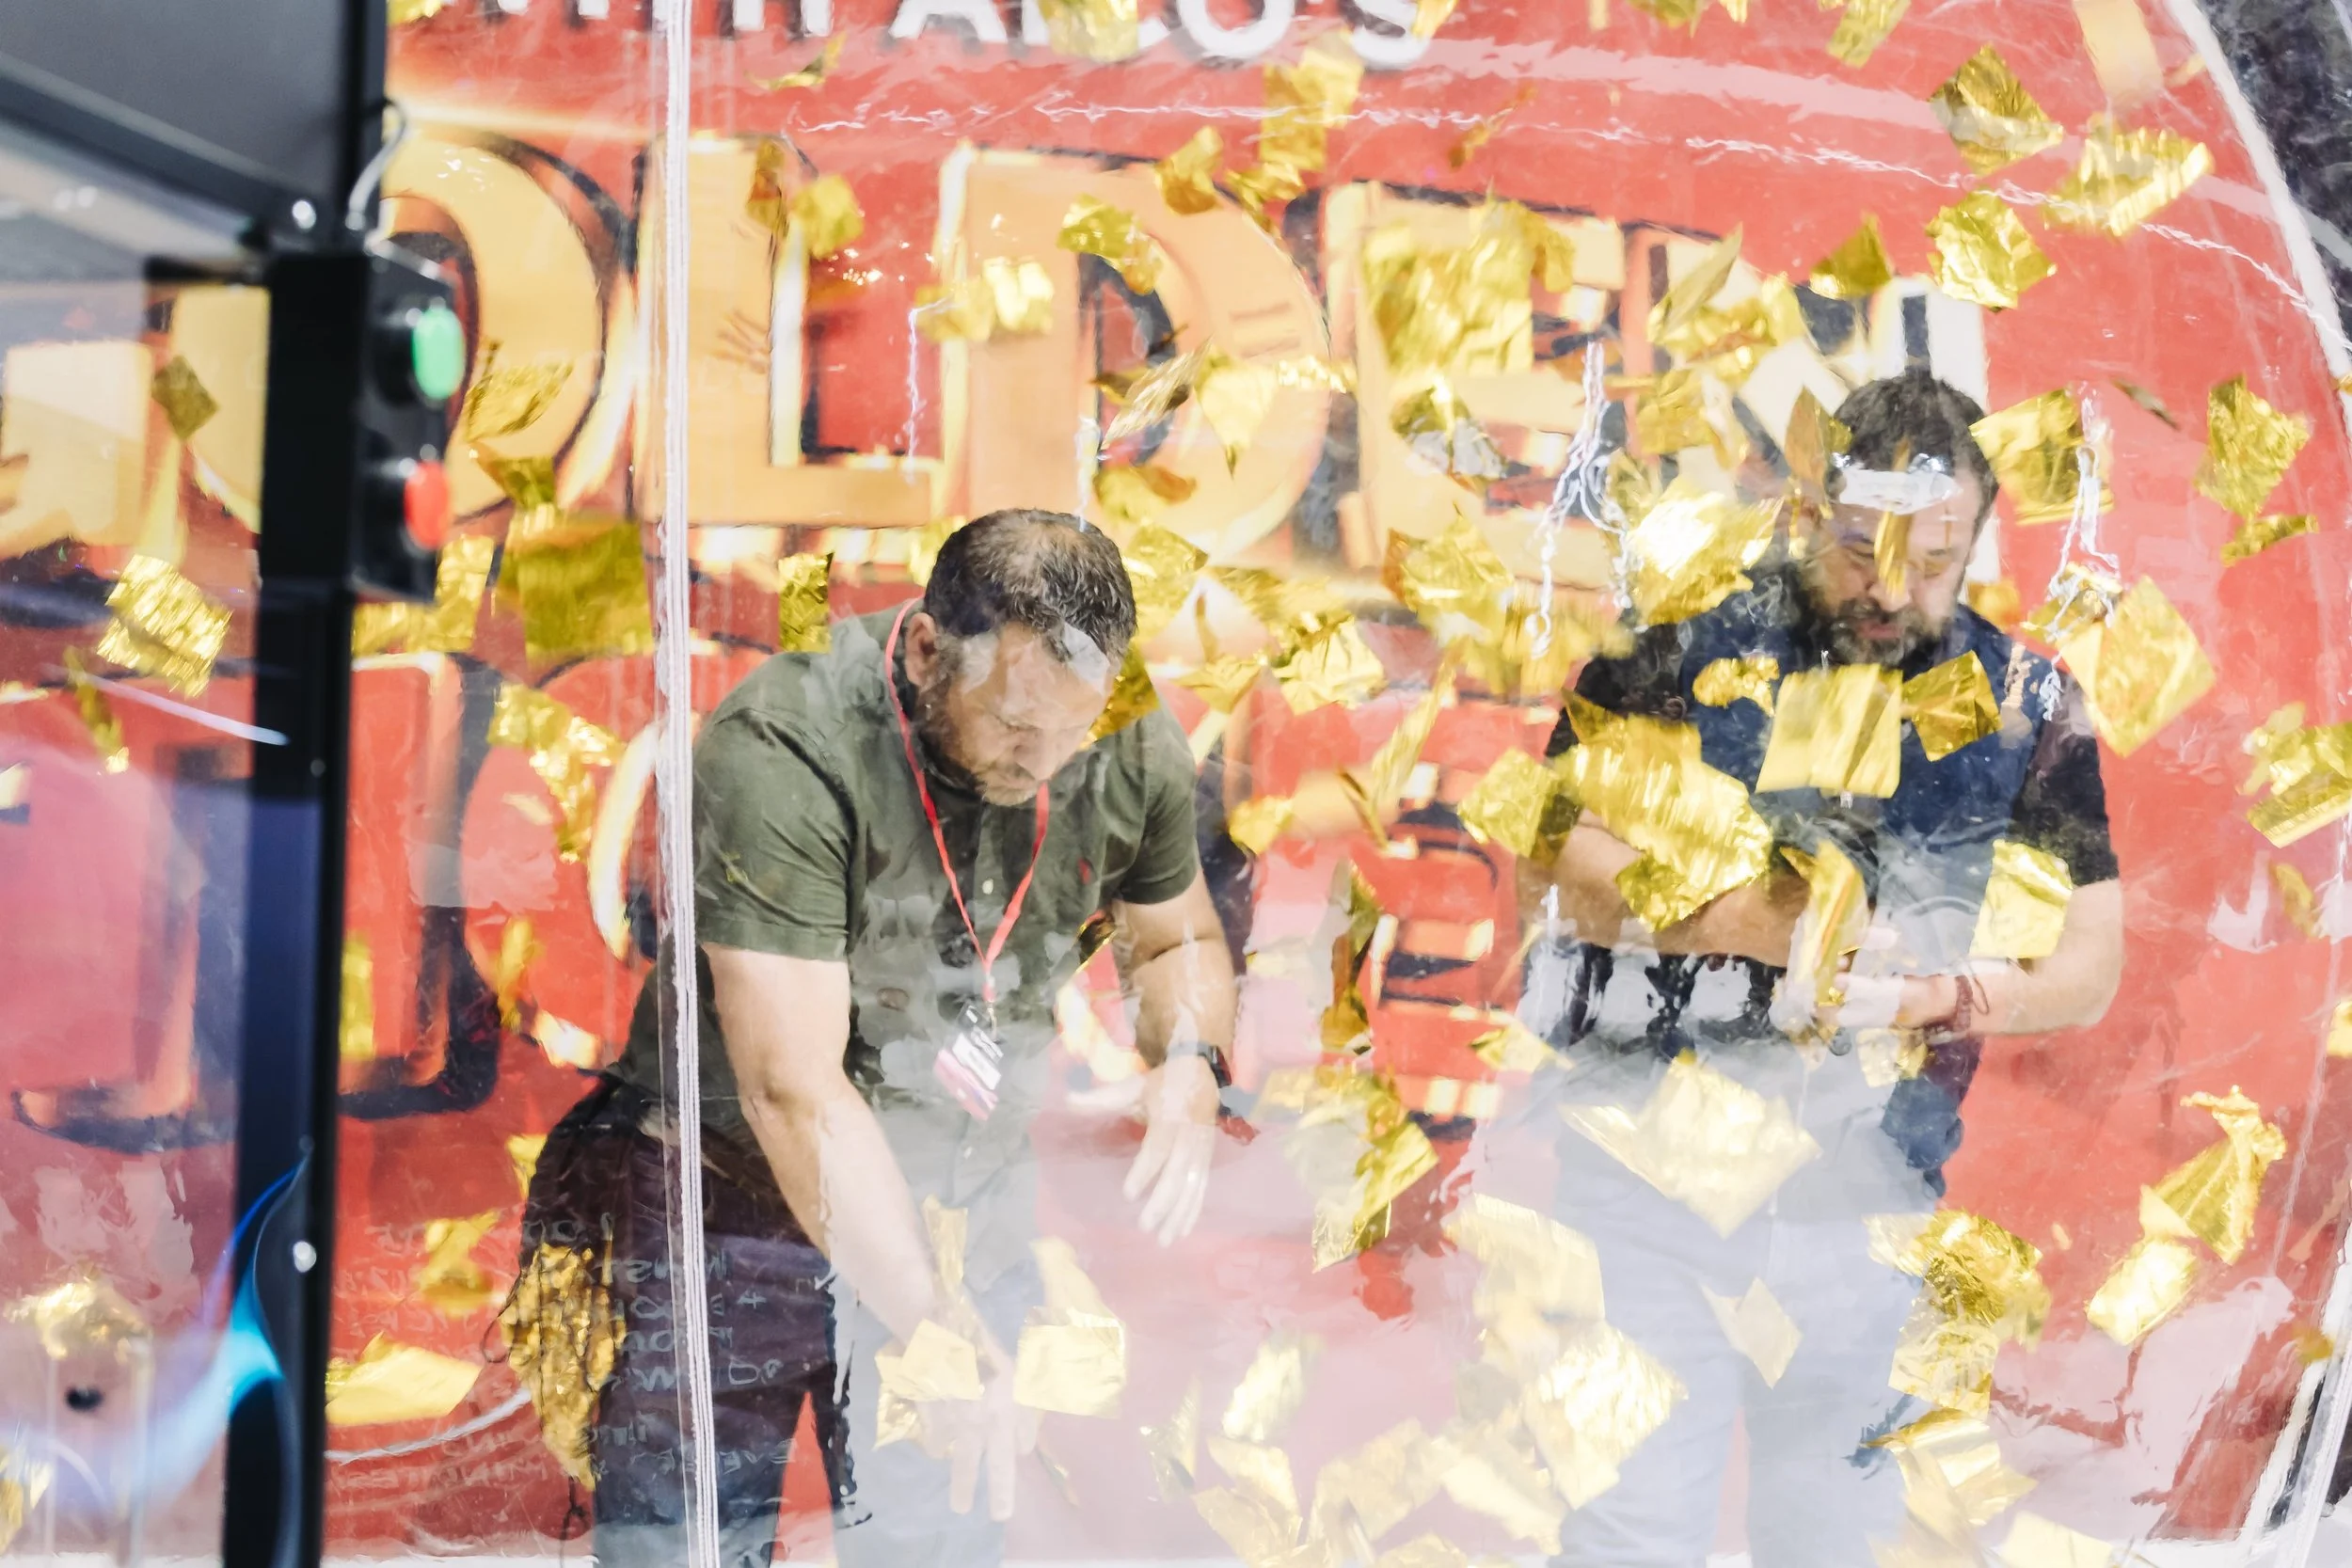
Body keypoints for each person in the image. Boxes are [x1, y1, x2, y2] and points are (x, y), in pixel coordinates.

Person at [512, 509, 1237, 1568]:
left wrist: (1190, 1061)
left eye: (1072, 728)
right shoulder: (787, 745)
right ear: (927, 649)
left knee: (938, 1544)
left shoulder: (1118, 732)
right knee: (686, 1548)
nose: (1045, 759)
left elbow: (1179, 940)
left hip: (958, 1212)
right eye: (1014, 722)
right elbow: (793, 1092)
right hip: (737, 1218)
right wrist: (935, 1329)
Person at [1518, 370, 2125, 1564]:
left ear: (1977, 536)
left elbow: (2090, 959)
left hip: (1873, 1208)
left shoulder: (2024, 701)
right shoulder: (1686, 640)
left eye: (1933, 559)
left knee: (1836, 1542)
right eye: (1860, 550)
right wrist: (1747, 917)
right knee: (1629, 1537)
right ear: (1809, 511)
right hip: (1640, 1194)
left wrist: (1933, 995)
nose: (1891, 588)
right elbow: (1546, 853)